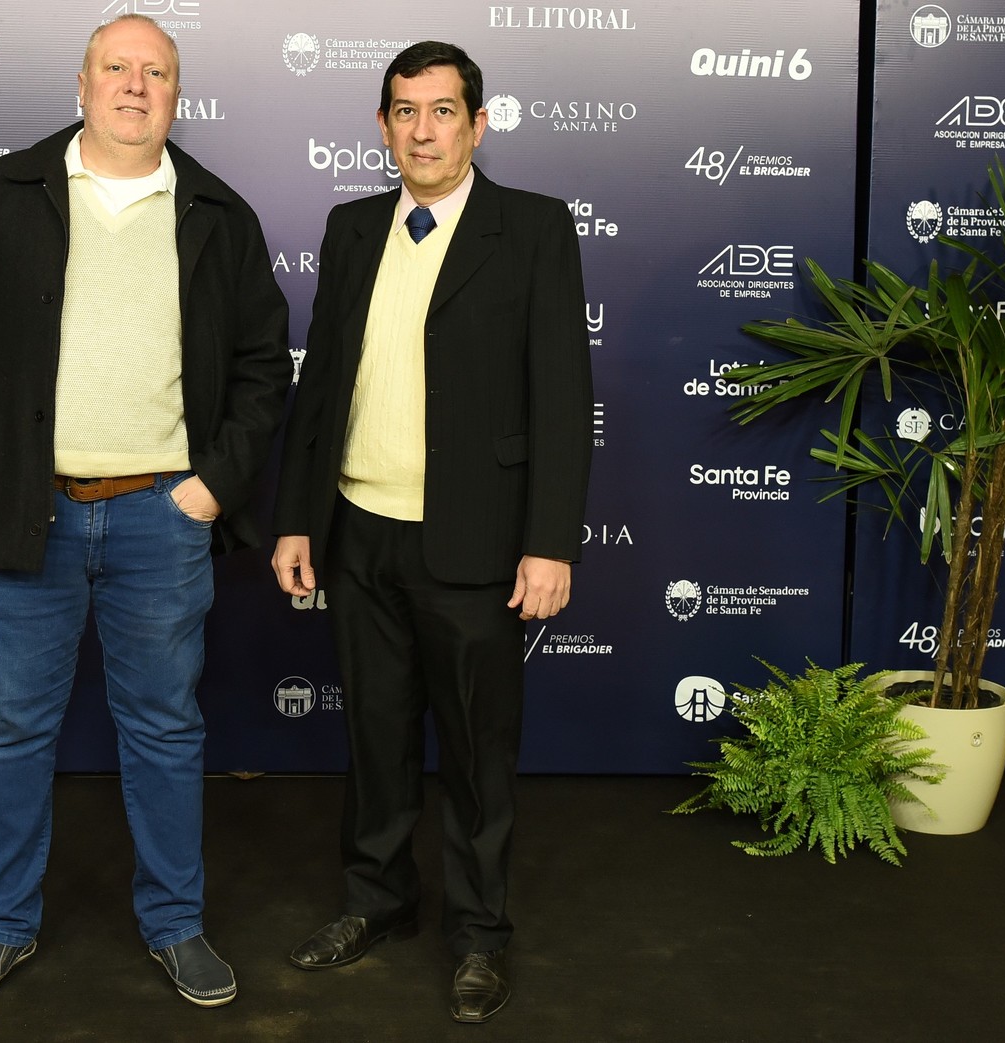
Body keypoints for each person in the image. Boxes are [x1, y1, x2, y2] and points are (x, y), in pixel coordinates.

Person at [0, 14, 290, 1010]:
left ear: (174, 92)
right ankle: (1, 925)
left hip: (163, 517)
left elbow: (258, 371)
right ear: (80, 85)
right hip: (22, 512)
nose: (133, 85)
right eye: (115, 68)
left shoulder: (215, 212)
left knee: (164, 729)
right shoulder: (0, 194)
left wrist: (211, 484)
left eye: (154, 72)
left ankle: (174, 923)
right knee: (12, 731)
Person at [270, 41, 592, 1024]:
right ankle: (375, 900)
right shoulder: (353, 225)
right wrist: (296, 517)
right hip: (360, 533)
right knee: (372, 737)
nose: (422, 129)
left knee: (474, 755)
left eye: (442, 111)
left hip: (476, 542)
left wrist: (549, 542)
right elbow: (320, 383)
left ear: (476, 123)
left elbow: (560, 396)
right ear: (382, 127)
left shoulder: (530, 229)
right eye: (403, 111)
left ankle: (477, 934)